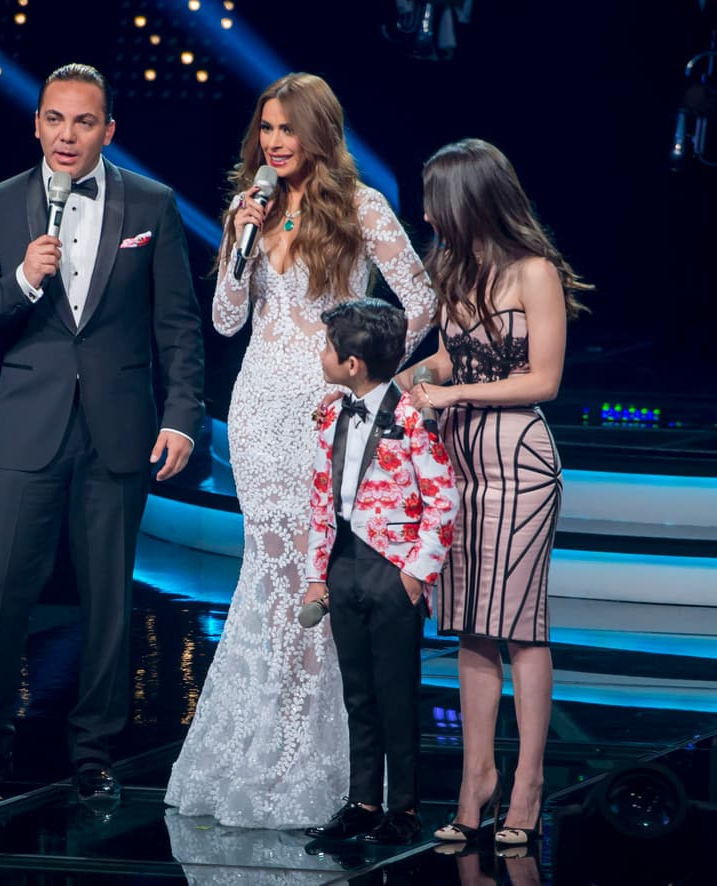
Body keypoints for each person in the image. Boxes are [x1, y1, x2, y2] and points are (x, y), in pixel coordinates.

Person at [164, 72, 436, 829]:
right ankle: (264, 747)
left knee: (315, 576)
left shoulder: (361, 206)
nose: (274, 144)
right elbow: (225, 322)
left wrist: (370, 378)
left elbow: (421, 302)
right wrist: (233, 241)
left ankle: (317, 764)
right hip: (255, 410)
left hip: (325, 410)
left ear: (318, 132)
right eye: (266, 130)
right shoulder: (253, 211)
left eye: (287, 130)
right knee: (271, 572)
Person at [0, 63, 206, 810]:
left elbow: (177, 327)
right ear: (36, 124)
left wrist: (182, 415)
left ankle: (93, 751)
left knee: (107, 598)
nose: (67, 135)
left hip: (119, 431)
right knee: (0, 584)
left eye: (84, 122)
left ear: (109, 131)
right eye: (55, 119)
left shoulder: (151, 203)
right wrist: (24, 280)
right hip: (29, 429)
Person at [403, 138, 590, 847]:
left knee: (519, 625)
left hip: (520, 463)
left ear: (471, 198)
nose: (426, 212)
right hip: (460, 467)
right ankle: (474, 778)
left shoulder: (534, 272)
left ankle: (528, 782)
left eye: (435, 199)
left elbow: (543, 380)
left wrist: (451, 392)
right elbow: (451, 353)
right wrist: (398, 384)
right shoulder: (451, 268)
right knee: (470, 625)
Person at [299, 298, 459, 845]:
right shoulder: (332, 412)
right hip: (344, 565)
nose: (321, 355)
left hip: (392, 571)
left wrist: (415, 575)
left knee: (396, 692)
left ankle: (405, 807)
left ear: (352, 364)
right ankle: (363, 801)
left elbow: (444, 499)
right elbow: (322, 496)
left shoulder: (413, 416)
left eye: (327, 347)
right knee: (358, 694)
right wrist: (319, 574)